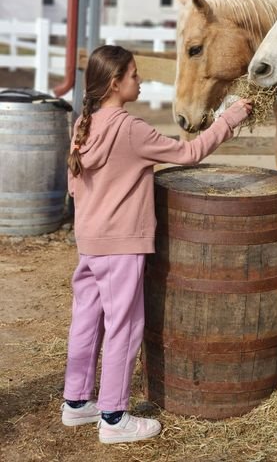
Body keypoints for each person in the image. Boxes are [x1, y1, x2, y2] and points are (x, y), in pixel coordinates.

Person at [61, 45, 252, 444]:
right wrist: (229, 119)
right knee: (125, 327)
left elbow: (74, 187)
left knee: (86, 319)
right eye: (134, 75)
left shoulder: (83, 124)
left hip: (90, 242)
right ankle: (114, 417)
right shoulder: (130, 129)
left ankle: (76, 402)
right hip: (121, 244)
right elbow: (190, 152)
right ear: (115, 83)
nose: (141, 80)